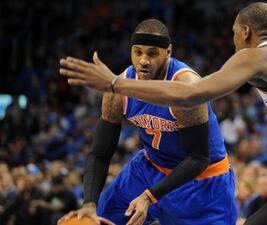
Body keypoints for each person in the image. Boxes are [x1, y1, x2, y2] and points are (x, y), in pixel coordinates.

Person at [59, 2, 267, 225]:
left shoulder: (255, 56)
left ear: (245, 31)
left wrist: (115, 83)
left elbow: (192, 93)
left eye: (234, 32)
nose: (233, 40)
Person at [59, 19, 236, 225]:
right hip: (148, 169)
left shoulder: (185, 86)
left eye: (152, 53)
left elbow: (198, 159)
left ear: (168, 52)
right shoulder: (118, 87)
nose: (143, 60)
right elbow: (100, 153)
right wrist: (89, 203)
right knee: (87, 221)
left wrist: (149, 197)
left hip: (201, 182)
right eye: (138, 52)